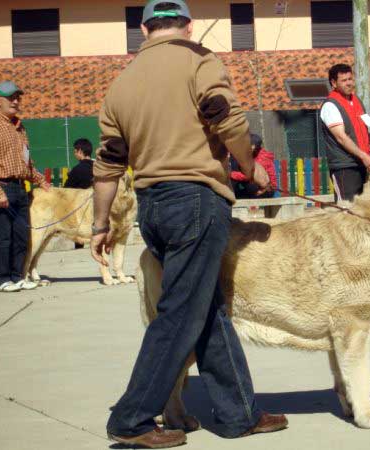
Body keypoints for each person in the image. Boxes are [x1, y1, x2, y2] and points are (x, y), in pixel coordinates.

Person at [90, 1, 285, 448]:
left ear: (142, 29)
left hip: (152, 206)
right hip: (196, 200)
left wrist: (100, 224)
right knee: (179, 312)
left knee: (204, 307)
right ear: (189, 25)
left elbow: (108, 164)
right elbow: (227, 118)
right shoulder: (200, 59)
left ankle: (239, 414)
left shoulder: (120, 84)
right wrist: (250, 166)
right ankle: (132, 417)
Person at [0, 81, 50, 292]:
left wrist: (40, 180)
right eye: (11, 98)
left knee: (21, 235)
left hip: (20, 188)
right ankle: (1, 278)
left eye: (18, 97)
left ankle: (17, 276)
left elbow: (26, 162)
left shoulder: (20, 126)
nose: (16, 101)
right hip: (1, 186)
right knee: (2, 237)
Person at [319, 63, 370, 201]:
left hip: (362, 163)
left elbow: (364, 133)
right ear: (333, 83)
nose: (349, 83)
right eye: (344, 80)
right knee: (347, 209)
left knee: (364, 209)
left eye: (350, 79)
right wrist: (365, 156)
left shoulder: (356, 101)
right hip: (345, 167)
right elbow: (341, 138)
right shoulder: (330, 106)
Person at [231, 133, 277, 198]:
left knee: (235, 166)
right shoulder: (250, 154)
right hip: (255, 186)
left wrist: (230, 174)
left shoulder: (262, 158)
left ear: (253, 146)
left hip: (264, 190)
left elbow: (248, 176)